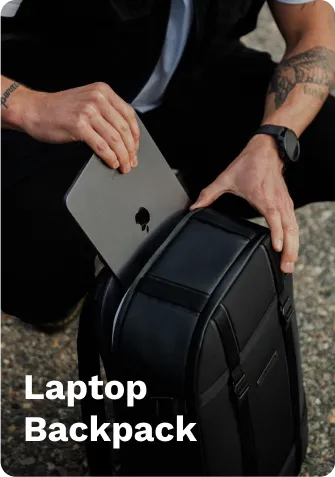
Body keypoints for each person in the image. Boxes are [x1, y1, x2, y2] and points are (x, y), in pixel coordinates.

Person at [0, 0, 334, 328]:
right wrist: (29, 107)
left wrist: (271, 142)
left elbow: (312, 28)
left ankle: (188, 206)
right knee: (43, 289)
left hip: (192, 74)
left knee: (324, 141)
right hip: (59, 99)